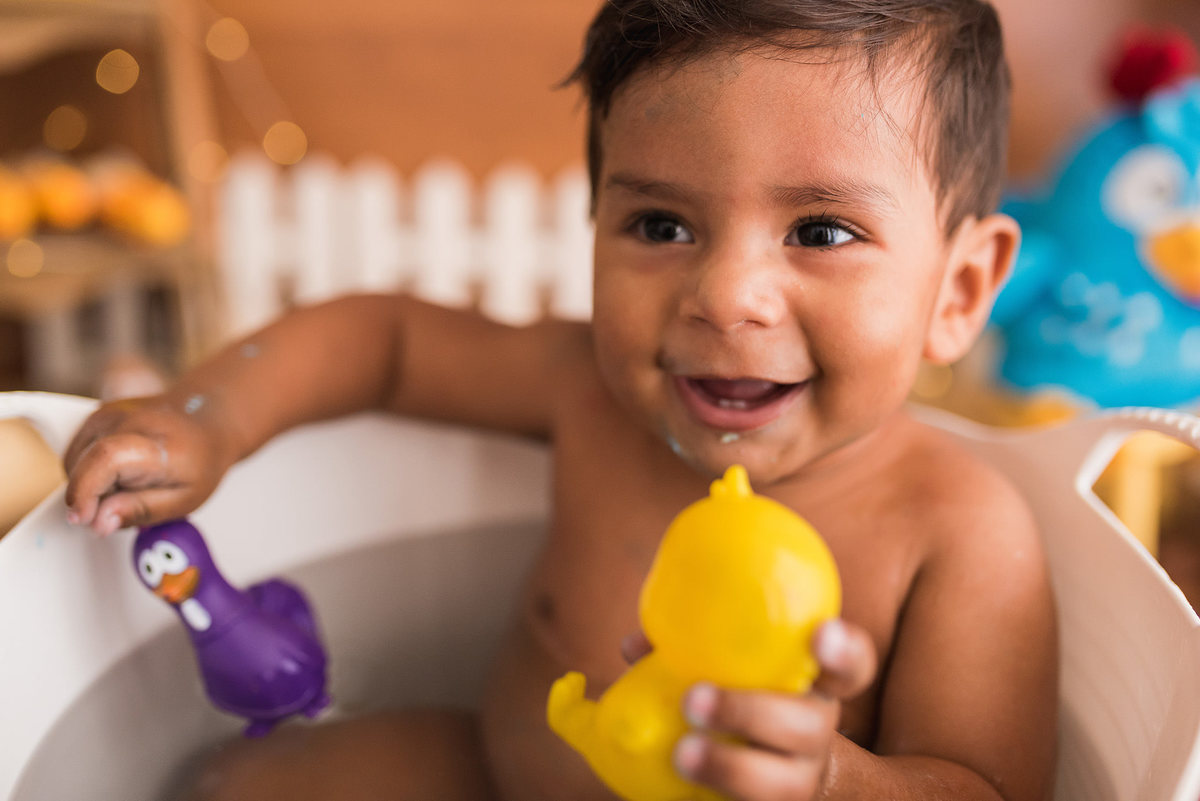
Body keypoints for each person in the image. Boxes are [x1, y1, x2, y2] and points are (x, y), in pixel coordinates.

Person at [62, 1, 1058, 799]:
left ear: (960, 291)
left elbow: (986, 787)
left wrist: (831, 780)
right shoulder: (590, 390)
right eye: (662, 224)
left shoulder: (957, 529)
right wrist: (206, 419)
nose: (725, 295)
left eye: (822, 232)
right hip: (498, 776)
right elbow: (386, 341)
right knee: (237, 783)